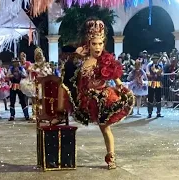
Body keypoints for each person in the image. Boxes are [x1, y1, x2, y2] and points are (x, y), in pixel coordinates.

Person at [57, 18, 135, 170]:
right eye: (94, 43)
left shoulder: (106, 60)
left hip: (103, 99)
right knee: (63, 94)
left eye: (100, 43)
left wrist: (122, 88)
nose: (98, 47)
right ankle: (63, 146)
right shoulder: (81, 60)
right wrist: (75, 57)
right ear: (88, 43)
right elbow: (67, 76)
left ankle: (111, 157)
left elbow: (116, 80)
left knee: (105, 128)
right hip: (85, 98)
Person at [146, 54, 164, 118]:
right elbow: (147, 74)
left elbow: (162, 74)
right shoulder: (149, 65)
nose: (156, 60)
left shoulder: (160, 66)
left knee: (158, 97)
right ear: (153, 59)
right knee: (150, 97)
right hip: (151, 82)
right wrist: (153, 75)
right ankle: (150, 113)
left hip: (158, 82)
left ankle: (158, 112)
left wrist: (159, 74)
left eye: (157, 59)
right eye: (154, 59)